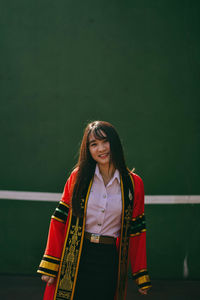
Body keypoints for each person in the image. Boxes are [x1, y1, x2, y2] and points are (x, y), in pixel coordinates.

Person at [37, 120, 151, 300]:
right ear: (88, 150)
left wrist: (140, 274)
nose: (101, 149)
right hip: (76, 255)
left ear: (115, 143)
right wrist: (51, 264)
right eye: (94, 144)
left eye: (105, 141)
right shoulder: (78, 177)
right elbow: (59, 219)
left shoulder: (133, 184)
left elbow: (137, 231)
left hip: (108, 259)